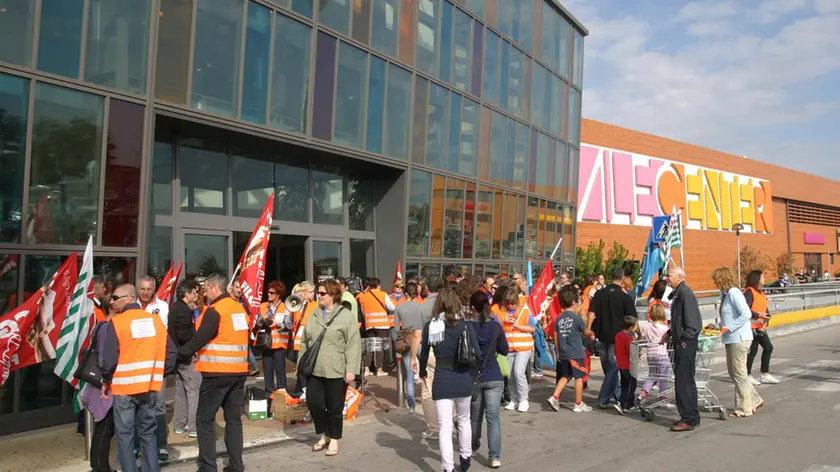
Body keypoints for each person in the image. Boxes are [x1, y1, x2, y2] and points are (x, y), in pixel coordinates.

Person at [99, 284, 176, 472]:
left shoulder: (117, 323)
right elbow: (172, 353)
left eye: (115, 297)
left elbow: (108, 360)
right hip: (148, 388)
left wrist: (106, 381)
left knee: (125, 436)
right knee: (148, 433)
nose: (112, 301)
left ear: (128, 299)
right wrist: (158, 372)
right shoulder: (155, 322)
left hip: (124, 389)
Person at [177, 274, 249, 472]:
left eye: (205, 289)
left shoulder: (215, 310)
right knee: (233, 421)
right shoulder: (238, 308)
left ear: (214, 288)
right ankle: (236, 465)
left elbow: (199, 339)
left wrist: (177, 353)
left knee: (204, 420)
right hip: (238, 372)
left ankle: (208, 467)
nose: (203, 293)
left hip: (217, 373)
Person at [417, 288, 480, 472]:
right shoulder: (465, 325)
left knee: (444, 427)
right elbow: (477, 352)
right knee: (464, 420)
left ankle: (447, 467)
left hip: (442, 377)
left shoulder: (431, 326)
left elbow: (423, 354)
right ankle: (466, 457)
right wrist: (473, 375)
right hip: (462, 378)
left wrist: (422, 372)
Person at [300, 280, 361, 457]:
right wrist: (300, 365)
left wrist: (351, 369)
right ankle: (326, 433)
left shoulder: (346, 315)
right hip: (315, 368)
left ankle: (333, 438)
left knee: (334, 407)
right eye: (318, 293)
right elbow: (305, 341)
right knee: (314, 403)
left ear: (333, 295)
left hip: (336, 368)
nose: (319, 296)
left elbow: (353, 344)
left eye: (322, 293)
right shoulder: (314, 314)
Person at [713, 267, 764, 418]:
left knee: (739, 373)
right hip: (731, 337)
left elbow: (746, 313)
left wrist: (729, 327)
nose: (715, 282)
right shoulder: (726, 294)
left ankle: (744, 408)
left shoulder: (734, 293)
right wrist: (719, 325)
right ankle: (755, 399)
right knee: (733, 371)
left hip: (739, 338)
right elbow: (729, 316)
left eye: (716, 279)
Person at [469, 291, 508, 468]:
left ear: (471, 308)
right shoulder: (496, 326)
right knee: (493, 418)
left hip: (474, 377)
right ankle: (494, 456)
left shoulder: (467, 327)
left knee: (475, 416)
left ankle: (472, 446)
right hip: (494, 376)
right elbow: (505, 350)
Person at [587, 267, 636, 409]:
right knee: (613, 369)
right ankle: (604, 398)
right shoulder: (625, 297)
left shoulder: (599, 294)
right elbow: (633, 318)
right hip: (619, 338)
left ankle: (617, 395)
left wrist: (589, 330)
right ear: (622, 278)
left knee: (608, 368)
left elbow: (591, 312)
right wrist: (637, 333)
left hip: (601, 336)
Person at [137, 275, 170, 461]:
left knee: (158, 405)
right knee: (138, 406)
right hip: (136, 364)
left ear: (154, 289)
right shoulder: (131, 305)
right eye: (142, 289)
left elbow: (161, 333)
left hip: (156, 363)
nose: (145, 292)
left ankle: (161, 445)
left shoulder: (162, 307)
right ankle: (138, 445)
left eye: (149, 289)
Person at [82, 297, 116, 472]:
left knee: (105, 428)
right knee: (105, 427)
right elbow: (105, 359)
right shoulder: (107, 328)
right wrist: (108, 380)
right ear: (112, 308)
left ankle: (99, 465)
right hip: (104, 385)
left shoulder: (103, 326)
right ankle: (100, 468)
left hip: (102, 384)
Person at [667, 266, 703, 432]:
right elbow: (678, 320)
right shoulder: (679, 294)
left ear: (680, 277)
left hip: (685, 344)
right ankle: (689, 415)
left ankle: (689, 417)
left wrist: (683, 340)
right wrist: (670, 332)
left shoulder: (685, 294)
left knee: (684, 381)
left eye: (669, 275)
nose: (667, 278)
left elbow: (692, 324)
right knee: (684, 380)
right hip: (681, 341)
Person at [547, 286, 593, 413]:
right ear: (573, 302)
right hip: (576, 352)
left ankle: (554, 396)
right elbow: (585, 332)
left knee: (566, 375)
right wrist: (591, 331)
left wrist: (557, 352)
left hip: (564, 352)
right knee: (579, 376)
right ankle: (578, 403)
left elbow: (556, 337)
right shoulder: (576, 318)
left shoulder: (559, 319)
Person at [492, 288, 535, 412]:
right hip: (509, 348)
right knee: (509, 375)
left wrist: (519, 326)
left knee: (518, 372)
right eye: (508, 303)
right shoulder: (501, 313)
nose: (510, 305)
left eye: (513, 303)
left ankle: (523, 399)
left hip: (523, 347)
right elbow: (494, 328)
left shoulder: (525, 312)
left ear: (517, 301)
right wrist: (501, 321)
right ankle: (513, 399)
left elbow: (533, 329)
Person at [169, 279, 202, 438]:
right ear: (186, 293)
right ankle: (194, 427)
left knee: (181, 391)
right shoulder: (184, 310)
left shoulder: (175, 308)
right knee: (193, 391)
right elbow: (183, 334)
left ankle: (180, 425)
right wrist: (193, 343)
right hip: (186, 355)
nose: (196, 295)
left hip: (178, 356)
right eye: (194, 292)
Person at [412, 275, 443, 440]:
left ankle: (434, 427)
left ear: (426, 288)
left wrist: (412, 357)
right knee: (447, 388)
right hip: (448, 351)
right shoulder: (451, 304)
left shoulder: (422, 308)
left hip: (430, 351)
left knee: (428, 391)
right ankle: (448, 422)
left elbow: (417, 335)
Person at [257, 281, 293, 403]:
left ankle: (282, 395)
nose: (269, 294)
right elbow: (256, 323)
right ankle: (269, 397)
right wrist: (261, 320)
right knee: (267, 371)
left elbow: (289, 325)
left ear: (278, 294)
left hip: (280, 345)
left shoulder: (286, 307)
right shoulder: (263, 306)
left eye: (272, 292)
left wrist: (279, 324)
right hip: (266, 344)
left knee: (280, 370)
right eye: (268, 292)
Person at [743, 271, 780, 385]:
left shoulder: (761, 293)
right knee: (752, 351)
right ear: (756, 279)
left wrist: (765, 321)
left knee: (768, 347)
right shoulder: (749, 292)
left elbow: (764, 309)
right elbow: (745, 309)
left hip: (760, 327)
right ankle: (747, 375)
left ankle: (765, 374)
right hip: (751, 327)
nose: (764, 279)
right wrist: (758, 315)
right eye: (762, 277)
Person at [394, 281, 425, 414]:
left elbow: (396, 328)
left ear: (405, 293)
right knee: (426, 373)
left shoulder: (399, 308)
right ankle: (427, 399)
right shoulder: (420, 307)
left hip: (407, 342)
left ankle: (411, 405)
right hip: (421, 341)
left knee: (410, 376)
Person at [357, 277, 396, 376]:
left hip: (369, 325)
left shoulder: (364, 296)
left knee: (369, 347)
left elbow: (361, 308)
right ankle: (379, 370)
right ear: (378, 285)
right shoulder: (382, 294)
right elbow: (392, 307)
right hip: (382, 325)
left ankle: (366, 369)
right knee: (379, 348)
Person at [640, 304, 672, 407]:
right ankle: (662, 397)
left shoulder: (646, 326)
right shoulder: (665, 328)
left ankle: (643, 393)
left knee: (652, 375)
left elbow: (642, 337)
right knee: (664, 377)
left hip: (651, 354)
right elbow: (668, 339)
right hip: (662, 354)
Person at [228, 280, 259, 376]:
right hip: (230, 334)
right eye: (237, 287)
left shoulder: (245, 303)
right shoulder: (227, 301)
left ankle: (252, 368)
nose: (239, 290)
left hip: (242, 333)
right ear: (232, 288)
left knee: (246, 351)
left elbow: (249, 317)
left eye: (241, 288)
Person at [614, 315, 638, 415]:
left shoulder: (618, 335)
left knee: (625, 385)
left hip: (621, 363)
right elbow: (632, 352)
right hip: (629, 365)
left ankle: (626, 403)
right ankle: (626, 404)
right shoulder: (628, 339)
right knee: (631, 386)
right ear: (631, 328)